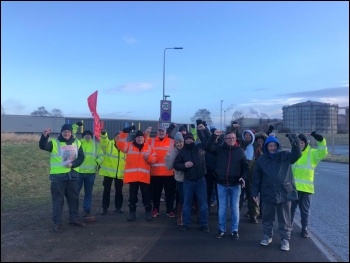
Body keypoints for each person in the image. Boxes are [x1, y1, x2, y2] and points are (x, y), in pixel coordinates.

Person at [251, 134, 302, 251]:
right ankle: (267, 236)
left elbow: (297, 154)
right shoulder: (261, 160)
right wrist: (255, 192)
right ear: (266, 147)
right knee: (267, 217)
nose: (272, 148)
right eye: (270, 146)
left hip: (284, 192)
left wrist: (294, 141)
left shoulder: (285, 155)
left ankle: (285, 239)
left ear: (278, 146)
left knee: (284, 218)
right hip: (267, 192)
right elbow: (257, 178)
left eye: (274, 145)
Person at [39, 123, 85, 233]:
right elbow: (43, 146)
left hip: (72, 175)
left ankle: (74, 218)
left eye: (69, 132)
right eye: (65, 131)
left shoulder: (77, 142)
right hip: (58, 177)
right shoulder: (54, 143)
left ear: (71, 133)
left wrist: (73, 164)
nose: (67, 133)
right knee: (58, 200)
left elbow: (82, 157)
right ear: (61, 132)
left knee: (73, 199)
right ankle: (57, 223)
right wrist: (44, 136)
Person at [206, 129, 249, 240]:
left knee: (235, 208)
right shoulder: (219, 149)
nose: (231, 140)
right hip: (221, 183)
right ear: (225, 140)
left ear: (236, 139)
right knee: (222, 208)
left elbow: (245, 167)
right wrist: (213, 136)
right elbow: (208, 147)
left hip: (235, 184)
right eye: (229, 138)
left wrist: (243, 177)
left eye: (233, 138)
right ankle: (221, 229)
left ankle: (235, 230)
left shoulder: (240, 151)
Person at [291, 131, 328, 238]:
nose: (300, 144)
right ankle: (289, 227)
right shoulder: (293, 153)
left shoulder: (312, 154)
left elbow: (323, 151)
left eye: (302, 142)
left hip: (306, 189)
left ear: (305, 143)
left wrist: (319, 138)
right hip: (293, 188)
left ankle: (304, 229)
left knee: (305, 211)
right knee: (290, 210)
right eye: (298, 142)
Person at [117, 126, 157, 221]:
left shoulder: (149, 147)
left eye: (142, 137)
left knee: (146, 196)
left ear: (144, 138)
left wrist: (149, 158)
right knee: (132, 197)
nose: (140, 139)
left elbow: (155, 159)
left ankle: (148, 212)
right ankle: (132, 213)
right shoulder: (129, 146)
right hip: (133, 177)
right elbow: (120, 144)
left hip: (144, 177)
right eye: (138, 137)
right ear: (135, 138)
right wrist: (124, 133)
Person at [174, 133, 210, 233]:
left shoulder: (200, 147)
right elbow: (176, 165)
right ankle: (186, 224)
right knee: (186, 204)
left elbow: (208, 140)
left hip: (200, 180)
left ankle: (204, 224)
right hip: (188, 180)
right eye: (187, 139)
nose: (188, 140)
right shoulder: (182, 152)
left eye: (190, 139)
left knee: (203, 204)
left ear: (193, 140)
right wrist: (184, 165)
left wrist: (203, 130)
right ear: (184, 141)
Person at [147, 125, 176, 218]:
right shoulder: (151, 141)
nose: (161, 133)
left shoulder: (172, 142)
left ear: (166, 132)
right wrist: (146, 132)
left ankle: (170, 210)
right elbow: (142, 143)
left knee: (170, 193)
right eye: (159, 131)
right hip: (155, 173)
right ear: (157, 132)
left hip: (169, 173)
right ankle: (155, 209)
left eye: (162, 131)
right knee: (156, 193)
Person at [77, 130, 104, 218]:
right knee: (75, 192)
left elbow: (101, 156)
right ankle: (74, 211)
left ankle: (87, 210)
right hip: (79, 172)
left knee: (88, 193)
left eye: (89, 135)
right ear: (83, 136)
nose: (88, 136)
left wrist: (97, 162)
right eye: (86, 135)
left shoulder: (96, 145)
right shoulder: (78, 144)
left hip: (91, 173)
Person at [99, 129, 126, 215]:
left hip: (120, 173)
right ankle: (105, 208)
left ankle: (118, 207)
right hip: (108, 173)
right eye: (117, 136)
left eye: (120, 137)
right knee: (106, 190)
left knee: (119, 191)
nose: (119, 138)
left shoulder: (125, 147)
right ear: (114, 137)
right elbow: (104, 141)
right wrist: (103, 134)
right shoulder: (108, 144)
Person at [165, 132, 185, 225]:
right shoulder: (173, 152)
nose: (179, 144)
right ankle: (180, 216)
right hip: (180, 178)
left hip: (190, 178)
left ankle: (191, 214)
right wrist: (167, 159)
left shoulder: (187, 150)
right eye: (177, 142)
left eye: (180, 142)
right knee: (181, 197)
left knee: (191, 197)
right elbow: (169, 167)